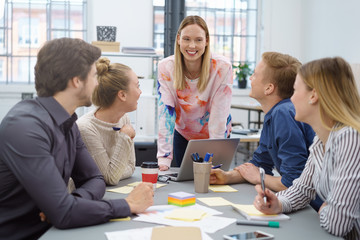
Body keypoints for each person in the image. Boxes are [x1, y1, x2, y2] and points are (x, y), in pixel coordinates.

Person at [0, 38, 153, 240]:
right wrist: (128, 205)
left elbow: (94, 179)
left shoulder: (68, 122)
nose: (98, 82)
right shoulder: (25, 127)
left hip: (54, 231)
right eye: (93, 75)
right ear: (76, 81)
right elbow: (64, 214)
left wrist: (72, 202)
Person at [253, 57, 360, 239]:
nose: (291, 98)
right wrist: (278, 203)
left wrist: (325, 210)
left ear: (313, 95)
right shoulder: (321, 140)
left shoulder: (349, 138)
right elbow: (302, 190)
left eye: (295, 90)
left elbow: (338, 224)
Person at [210, 52, 316, 193]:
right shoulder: (274, 114)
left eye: (254, 74)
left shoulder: (283, 114)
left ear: (269, 88)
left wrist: (260, 178)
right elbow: (260, 163)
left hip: (315, 208)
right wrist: (226, 177)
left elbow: (294, 182)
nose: (250, 78)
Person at [157, 15, 233, 170]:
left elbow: (218, 117)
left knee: (212, 182)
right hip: (183, 134)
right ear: (178, 39)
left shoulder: (222, 67)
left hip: (215, 135)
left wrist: (215, 156)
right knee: (184, 183)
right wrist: (164, 158)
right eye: (186, 39)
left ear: (206, 41)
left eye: (198, 40)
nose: (192, 45)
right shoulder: (166, 67)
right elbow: (166, 113)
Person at [77, 58, 140, 185]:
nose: (140, 92)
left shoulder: (124, 118)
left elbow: (131, 167)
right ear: (122, 95)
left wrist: (114, 171)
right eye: (138, 86)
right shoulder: (86, 128)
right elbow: (110, 178)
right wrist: (124, 136)